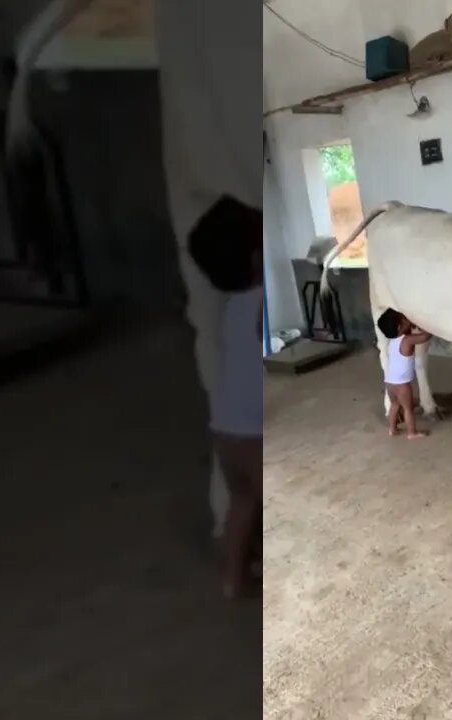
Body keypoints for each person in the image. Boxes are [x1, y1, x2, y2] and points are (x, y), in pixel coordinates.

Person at [188, 195, 263, 600]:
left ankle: (232, 579)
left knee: (241, 502)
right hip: (254, 436)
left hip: (225, 429)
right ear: (256, 258)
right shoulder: (260, 303)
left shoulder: (231, 305)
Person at [377, 309, 432, 439]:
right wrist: (427, 326)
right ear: (399, 326)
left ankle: (392, 429)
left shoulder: (392, 342)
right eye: (405, 319)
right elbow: (425, 337)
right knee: (408, 408)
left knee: (395, 405)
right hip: (402, 384)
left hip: (390, 382)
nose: (408, 319)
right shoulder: (407, 340)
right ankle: (411, 433)